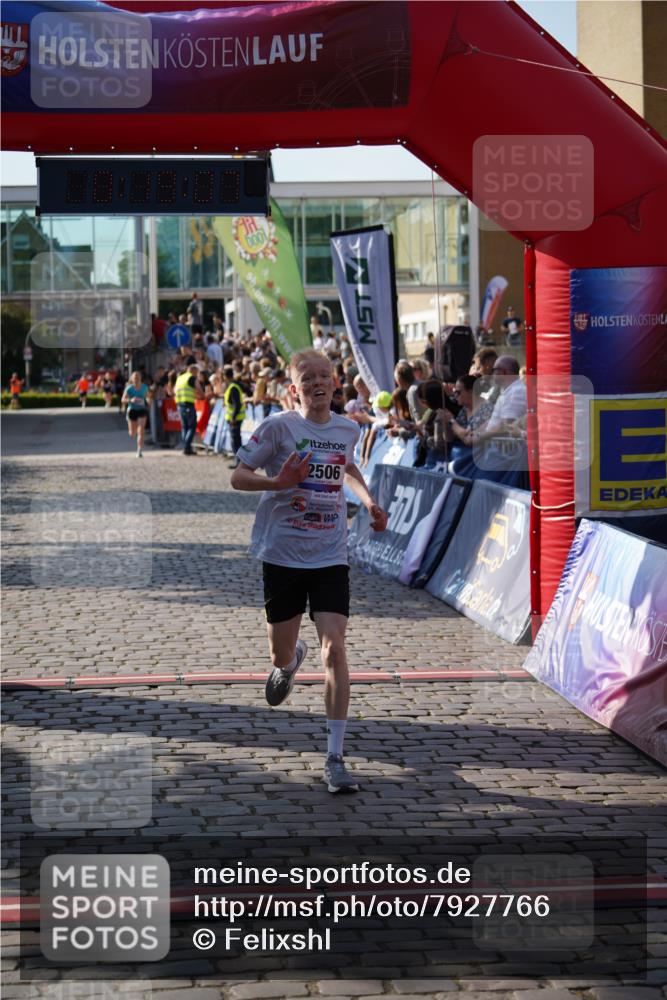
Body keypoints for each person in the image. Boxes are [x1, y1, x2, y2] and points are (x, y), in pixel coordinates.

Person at [230, 348, 388, 793]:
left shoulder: (346, 429)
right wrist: (277, 482)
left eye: (324, 376)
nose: (317, 383)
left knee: (335, 648)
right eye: (308, 378)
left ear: (335, 384)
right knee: (279, 654)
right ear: (293, 389)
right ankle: (289, 660)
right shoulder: (278, 428)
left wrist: (368, 501)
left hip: (330, 553)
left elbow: (347, 465)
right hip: (282, 553)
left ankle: (335, 757)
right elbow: (238, 476)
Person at [122, 370, 151, 457]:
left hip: (142, 410)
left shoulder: (144, 387)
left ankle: (139, 450)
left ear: (140, 378)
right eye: (135, 378)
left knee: (141, 430)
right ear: (132, 379)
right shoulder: (129, 388)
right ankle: (132, 426)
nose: (136, 379)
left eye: (138, 377)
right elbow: (123, 400)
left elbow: (148, 397)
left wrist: (148, 401)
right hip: (132, 410)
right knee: (132, 433)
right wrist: (130, 400)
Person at [174, 358, 201, 456]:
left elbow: (174, 391)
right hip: (189, 404)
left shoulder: (180, 378)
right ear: (193, 371)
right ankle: (186, 446)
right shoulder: (191, 378)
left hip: (180, 405)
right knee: (192, 427)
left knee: (184, 427)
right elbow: (199, 390)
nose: (197, 375)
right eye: (196, 373)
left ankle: (187, 448)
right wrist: (202, 396)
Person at [223, 365, 246, 469]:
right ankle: (239, 462)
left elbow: (237, 404)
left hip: (235, 419)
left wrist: (233, 417)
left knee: (235, 442)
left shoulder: (233, 388)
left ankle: (239, 462)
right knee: (236, 441)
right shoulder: (234, 386)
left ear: (225, 376)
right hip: (236, 418)